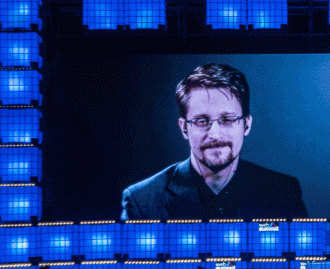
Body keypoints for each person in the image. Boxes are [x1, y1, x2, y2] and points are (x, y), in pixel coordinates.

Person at [121, 64, 308, 220]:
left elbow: (304, 263)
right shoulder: (141, 201)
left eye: (227, 119)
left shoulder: (283, 191)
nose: (215, 134)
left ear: (247, 125)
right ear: (184, 127)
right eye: (202, 121)